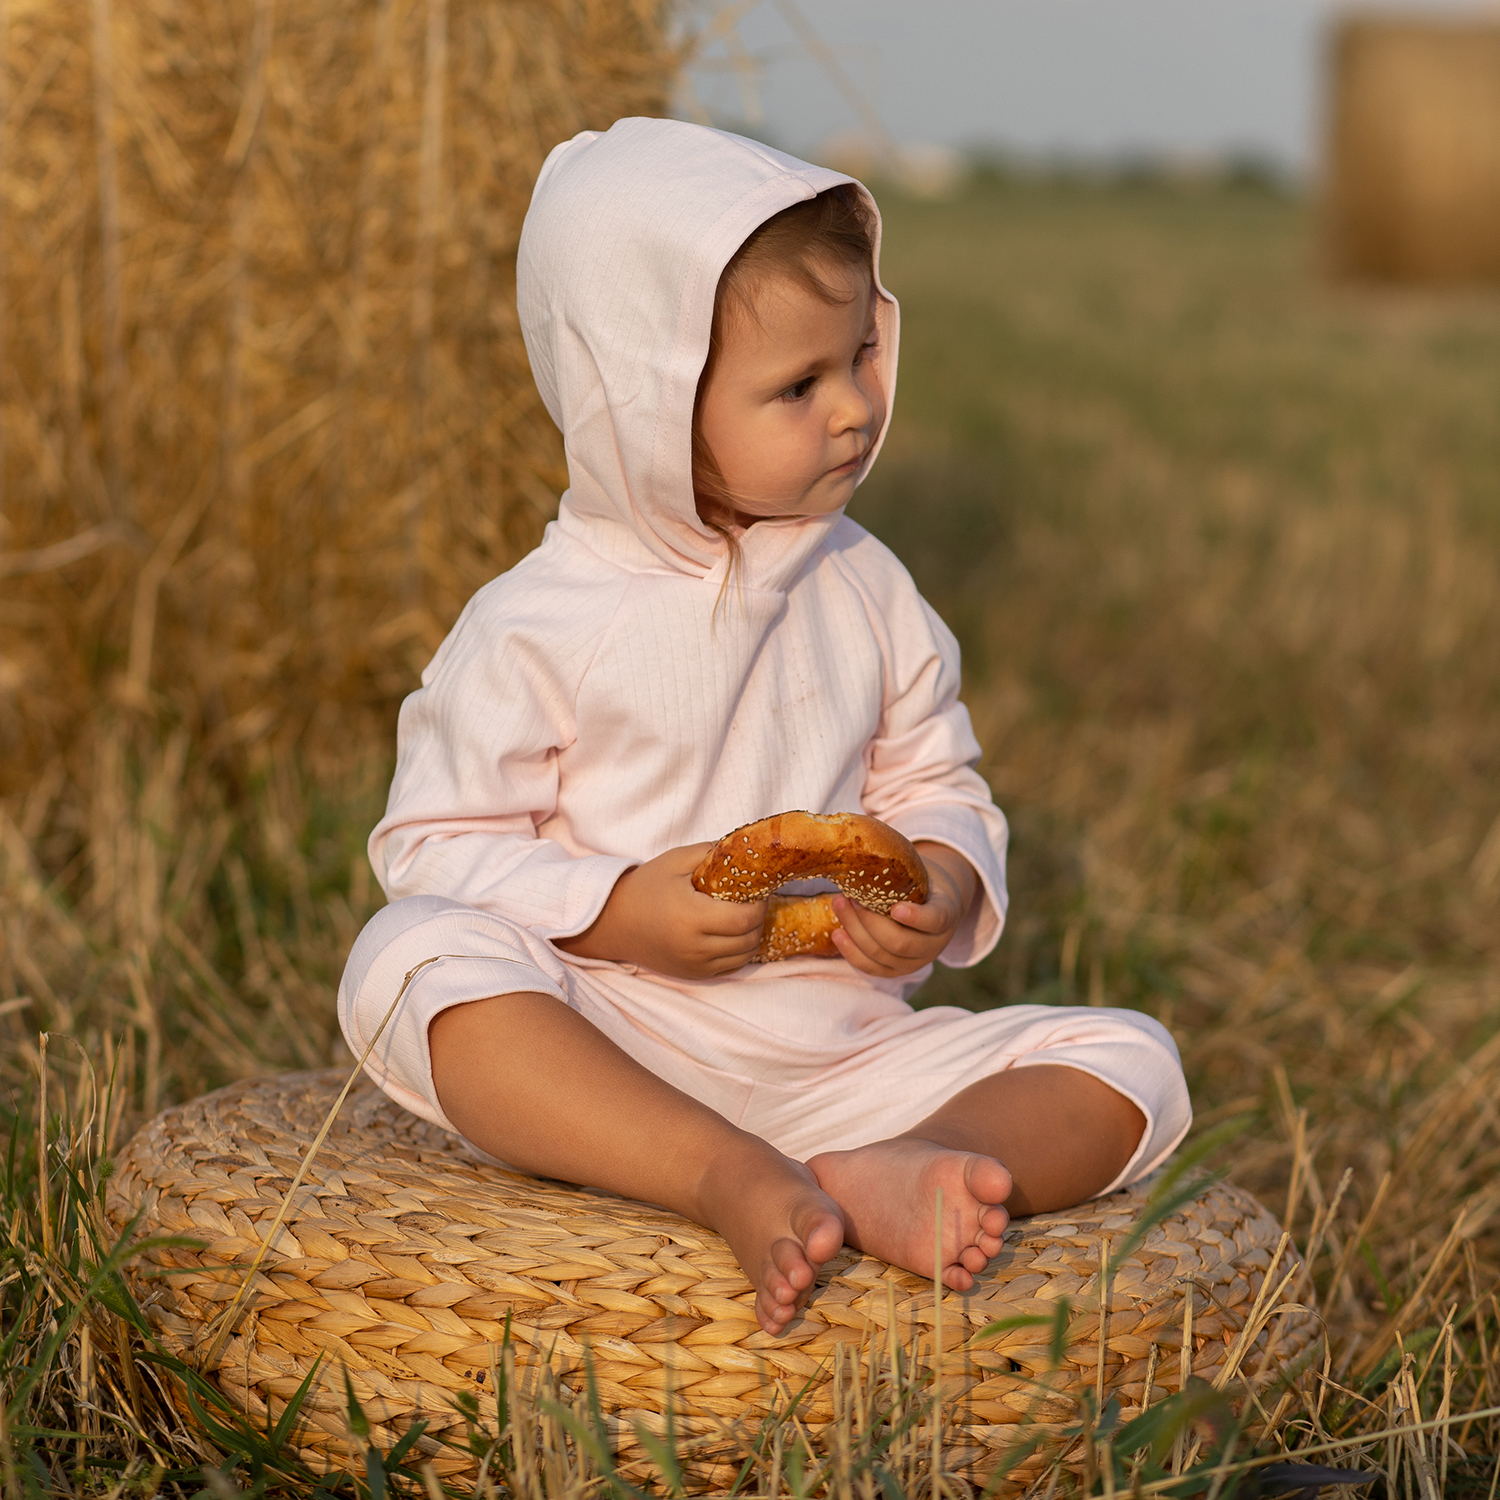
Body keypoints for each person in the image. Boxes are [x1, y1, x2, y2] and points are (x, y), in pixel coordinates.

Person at [339, 118, 1191, 1337]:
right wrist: (622, 908)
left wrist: (941, 882)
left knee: (1134, 1062)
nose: (853, 410)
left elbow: (936, 777)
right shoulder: (541, 620)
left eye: (860, 356)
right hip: (609, 1031)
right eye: (798, 387)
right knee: (408, 964)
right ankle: (713, 1171)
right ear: (647, 403)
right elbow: (431, 844)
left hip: (842, 1059)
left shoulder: (868, 586)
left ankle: (902, 1163)